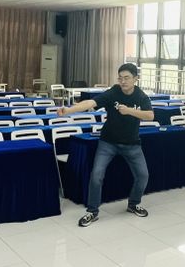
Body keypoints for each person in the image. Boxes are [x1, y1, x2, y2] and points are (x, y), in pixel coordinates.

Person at [58, 63, 153, 227]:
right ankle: (92, 211)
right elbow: (91, 103)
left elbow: (150, 116)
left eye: (127, 78)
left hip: (132, 144)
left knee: (143, 175)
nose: (123, 81)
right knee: (96, 175)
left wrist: (129, 111)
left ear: (135, 79)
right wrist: (69, 110)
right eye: (120, 78)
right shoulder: (113, 92)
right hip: (108, 142)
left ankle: (133, 203)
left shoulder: (141, 96)